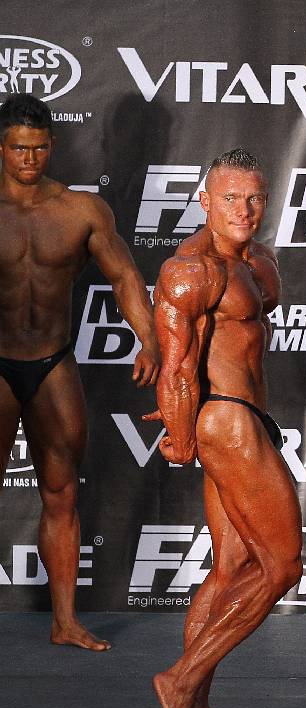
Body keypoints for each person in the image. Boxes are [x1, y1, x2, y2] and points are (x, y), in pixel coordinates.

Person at [148, 148, 301, 708]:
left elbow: (239, 337)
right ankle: (181, 680)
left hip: (248, 415)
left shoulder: (259, 261)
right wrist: (182, 434)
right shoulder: (191, 269)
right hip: (227, 421)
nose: (244, 209)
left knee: (232, 566)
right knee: (282, 566)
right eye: (230, 198)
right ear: (205, 201)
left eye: (254, 197)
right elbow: (177, 366)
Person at [0, 93, 159, 651]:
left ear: (53, 145)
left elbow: (124, 277)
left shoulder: (81, 210)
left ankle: (65, 621)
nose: (30, 159)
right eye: (19, 149)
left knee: (62, 491)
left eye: (39, 148)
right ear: (1, 148)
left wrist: (149, 340)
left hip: (53, 361)